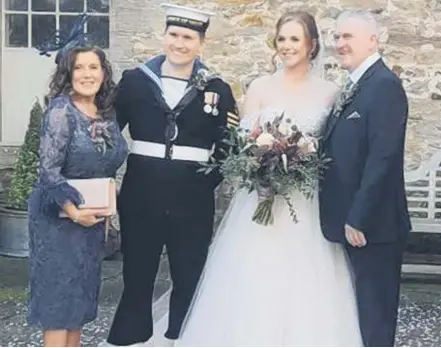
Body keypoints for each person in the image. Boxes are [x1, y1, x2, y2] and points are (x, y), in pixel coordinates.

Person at [175, 11, 363, 347]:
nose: (287, 46)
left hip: (305, 203)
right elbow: (244, 143)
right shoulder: (260, 87)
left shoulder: (331, 93)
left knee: (306, 280)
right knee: (253, 276)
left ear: (312, 46)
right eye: (282, 39)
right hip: (261, 200)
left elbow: (333, 152)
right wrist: (259, 165)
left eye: (295, 39)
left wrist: (300, 161)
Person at [106, 3, 239, 346]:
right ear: (163, 36)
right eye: (175, 35)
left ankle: (183, 338)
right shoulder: (135, 81)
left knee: (188, 274)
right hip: (140, 195)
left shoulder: (217, 88)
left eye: (189, 37)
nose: (180, 43)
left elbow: (230, 146)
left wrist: (205, 181)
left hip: (192, 200)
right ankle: (130, 339)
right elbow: (107, 134)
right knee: (137, 273)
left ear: (201, 43)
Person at [319, 9, 411, 347]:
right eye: (337, 36)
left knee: (375, 319)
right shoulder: (356, 85)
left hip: (373, 227)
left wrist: (358, 218)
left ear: (373, 40)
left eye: (349, 37)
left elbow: (382, 158)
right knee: (355, 316)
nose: (340, 44)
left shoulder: (385, 86)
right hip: (348, 223)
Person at [27, 40, 129, 346]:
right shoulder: (60, 111)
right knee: (59, 305)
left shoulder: (106, 112)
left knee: (79, 305)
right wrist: (74, 212)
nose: (87, 74)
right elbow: (49, 170)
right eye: (79, 67)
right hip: (59, 221)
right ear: (67, 74)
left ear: (103, 72)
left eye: (93, 67)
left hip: (91, 223)